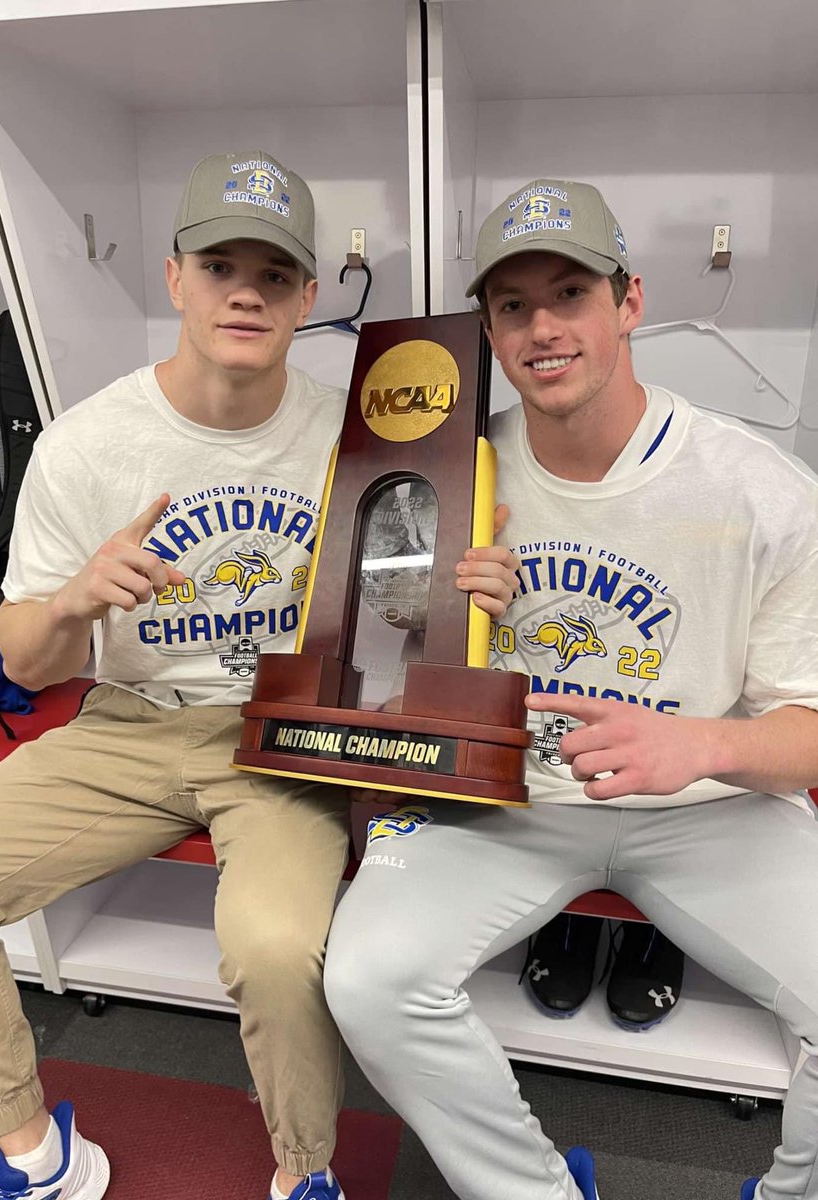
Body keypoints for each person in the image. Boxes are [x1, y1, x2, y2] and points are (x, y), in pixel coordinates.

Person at [0, 148, 514, 1200]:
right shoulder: (88, 443)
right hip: (127, 723)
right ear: (175, 278)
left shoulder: (359, 433)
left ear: (306, 297)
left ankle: (305, 1173)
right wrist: (71, 601)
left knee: (278, 946)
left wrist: (464, 583)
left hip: (281, 736)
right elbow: (22, 659)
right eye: (220, 264)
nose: (247, 289)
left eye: (274, 273)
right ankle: (31, 1154)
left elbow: (397, 627)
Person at [324, 178, 818, 1200]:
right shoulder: (447, 472)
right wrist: (435, 615)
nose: (542, 328)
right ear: (491, 329)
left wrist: (706, 745)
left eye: (570, 294)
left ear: (628, 301)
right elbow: (373, 677)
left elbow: (808, 728)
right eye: (513, 305)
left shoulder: (759, 486)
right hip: (503, 799)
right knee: (367, 980)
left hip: (704, 808)